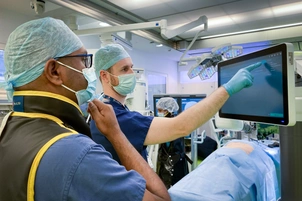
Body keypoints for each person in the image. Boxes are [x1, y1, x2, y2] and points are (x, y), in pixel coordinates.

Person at [0, 17, 170, 201]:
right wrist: (116, 134)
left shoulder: (6, 127)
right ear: (55, 71)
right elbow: (161, 199)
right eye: (83, 60)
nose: (87, 71)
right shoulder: (77, 155)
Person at [90, 44, 261, 165]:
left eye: (131, 68)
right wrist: (227, 89)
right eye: (124, 69)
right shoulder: (116, 117)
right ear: (105, 76)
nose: (132, 74)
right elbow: (181, 126)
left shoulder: (104, 107)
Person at [156, 97, 190, 188]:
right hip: (177, 161)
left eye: (159, 110)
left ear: (167, 110)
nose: (158, 113)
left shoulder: (169, 125)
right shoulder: (174, 121)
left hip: (173, 164)